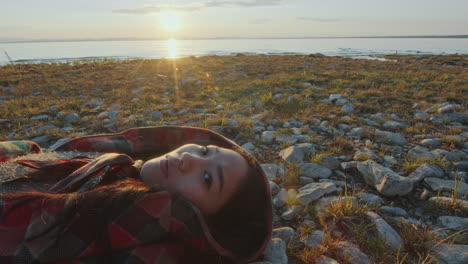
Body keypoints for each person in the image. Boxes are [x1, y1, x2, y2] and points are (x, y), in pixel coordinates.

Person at [0, 126, 272, 264]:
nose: (187, 157)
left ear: (207, 222)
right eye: (204, 151)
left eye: (207, 178)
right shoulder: (121, 167)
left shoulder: (144, 234)